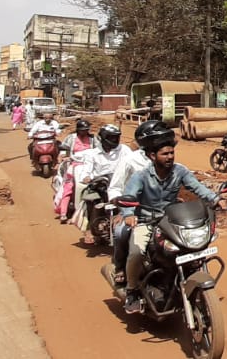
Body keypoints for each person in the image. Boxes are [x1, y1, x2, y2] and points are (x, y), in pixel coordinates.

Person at [119, 121, 218, 314]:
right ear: (152, 156)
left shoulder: (180, 171)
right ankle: (131, 291)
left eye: (172, 153)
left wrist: (216, 199)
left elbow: (197, 187)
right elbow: (129, 195)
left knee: (192, 248)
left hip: (172, 220)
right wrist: (129, 214)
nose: (170, 157)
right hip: (147, 221)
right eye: (165, 154)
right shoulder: (141, 176)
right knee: (137, 252)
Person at [106, 121, 158, 287]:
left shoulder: (167, 157)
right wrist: (123, 208)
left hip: (161, 210)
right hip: (133, 209)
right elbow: (114, 187)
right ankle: (120, 268)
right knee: (122, 233)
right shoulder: (130, 160)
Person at [68, 124, 131, 245]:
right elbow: (86, 171)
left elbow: (133, 164)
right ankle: (90, 228)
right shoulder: (92, 154)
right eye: (111, 138)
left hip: (121, 184)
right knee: (91, 199)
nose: (114, 141)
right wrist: (87, 177)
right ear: (103, 138)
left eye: (116, 137)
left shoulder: (124, 150)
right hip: (100, 185)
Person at [53, 119, 101, 222]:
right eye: (82, 130)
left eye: (86, 130)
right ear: (78, 130)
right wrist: (62, 156)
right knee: (68, 188)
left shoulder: (93, 139)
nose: (85, 132)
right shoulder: (71, 138)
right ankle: (63, 213)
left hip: (90, 166)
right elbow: (63, 149)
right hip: (74, 166)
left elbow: (99, 150)